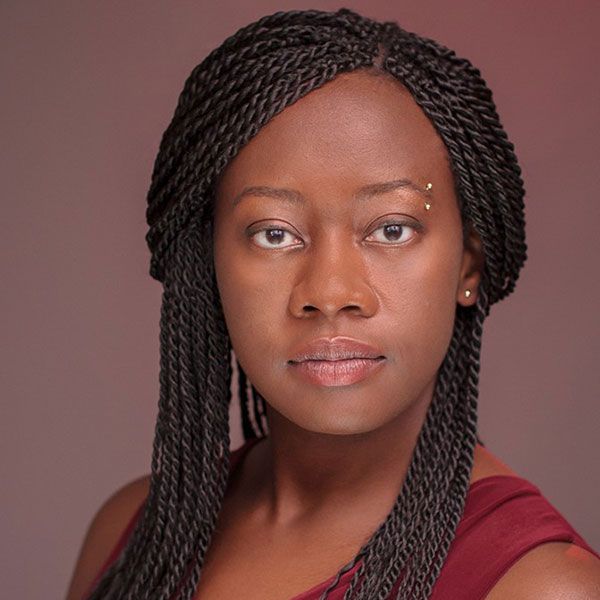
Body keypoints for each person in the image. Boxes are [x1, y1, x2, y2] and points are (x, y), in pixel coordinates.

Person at [66, 8, 600, 600]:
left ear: (467, 264)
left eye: (391, 230)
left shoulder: (538, 585)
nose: (330, 293)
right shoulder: (133, 535)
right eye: (274, 233)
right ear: (209, 264)